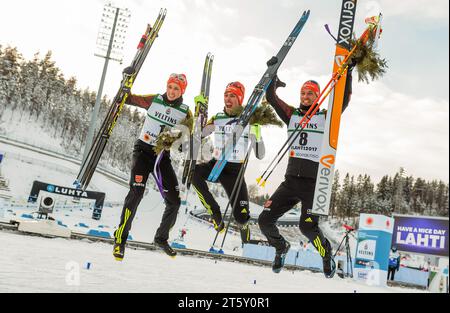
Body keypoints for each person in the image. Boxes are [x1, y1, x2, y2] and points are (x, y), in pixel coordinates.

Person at [258, 58, 354, 276]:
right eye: (303, 93)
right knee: (265, 219)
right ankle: (281, 247)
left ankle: (326, 253)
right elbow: (271, 97)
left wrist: (348, 73)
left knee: (307, 227)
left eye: (310, 93)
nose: (305, 96)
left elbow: (343, 101)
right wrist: (272, 71)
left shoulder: (325, 117)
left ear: (317, 96)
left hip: (313, 183)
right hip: (290, 181)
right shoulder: (292, 115)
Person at [113, 72, 193, 261]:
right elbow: (128, 98)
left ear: (182, 91)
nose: (172, 92)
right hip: (142, 151)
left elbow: (188, 139)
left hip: (161, 157)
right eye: (170, 87)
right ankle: (120, 240)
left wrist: (184, 139)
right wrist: (125, 84)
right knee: (136, 193)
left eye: (177, 89)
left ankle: (161, 238)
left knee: (174, 201)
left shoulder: (185, 111)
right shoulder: (154, 100)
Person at [191, 82, 265, 244]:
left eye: (232, 95)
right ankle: (215, 213)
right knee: (194, 174)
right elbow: (199, 135)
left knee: (241, 216)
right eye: (226, 95)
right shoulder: (218, 118)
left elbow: (260, 154)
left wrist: (257, 133)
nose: (228, 99)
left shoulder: (248, 120)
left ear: (240, 99)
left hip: (234, 171)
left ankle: (245, 231)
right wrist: (199, 112)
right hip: (216, 165)